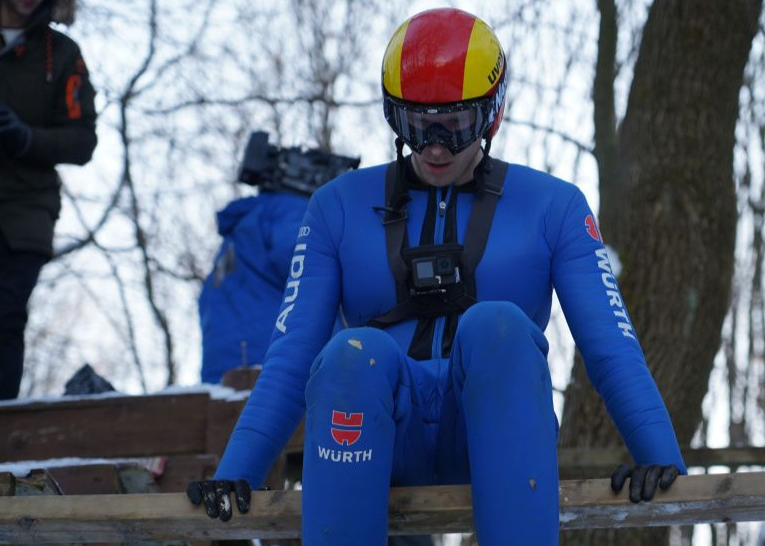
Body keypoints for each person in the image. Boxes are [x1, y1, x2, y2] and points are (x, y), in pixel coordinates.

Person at [188, 8, 686, 544]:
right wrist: (235, 472)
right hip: (379, 432)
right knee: (349, 353)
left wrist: (659, 456)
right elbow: (291, 355)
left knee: (498, 327)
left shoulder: (554, 207)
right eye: (416, 126)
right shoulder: (335, 207)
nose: (434, 148)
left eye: (454, 127)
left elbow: (610, 344)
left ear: (490, 115)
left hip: (493, 433)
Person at [0, 0, 97, 402]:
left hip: (27, 207)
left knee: (5, 316)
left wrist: (28, 138)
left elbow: (83, 140)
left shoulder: (62, 54)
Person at [198, 187, 317, 384]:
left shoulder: (239, 235)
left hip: (222, 377)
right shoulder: (290, 208)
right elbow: (308, 261)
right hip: (272, 366)